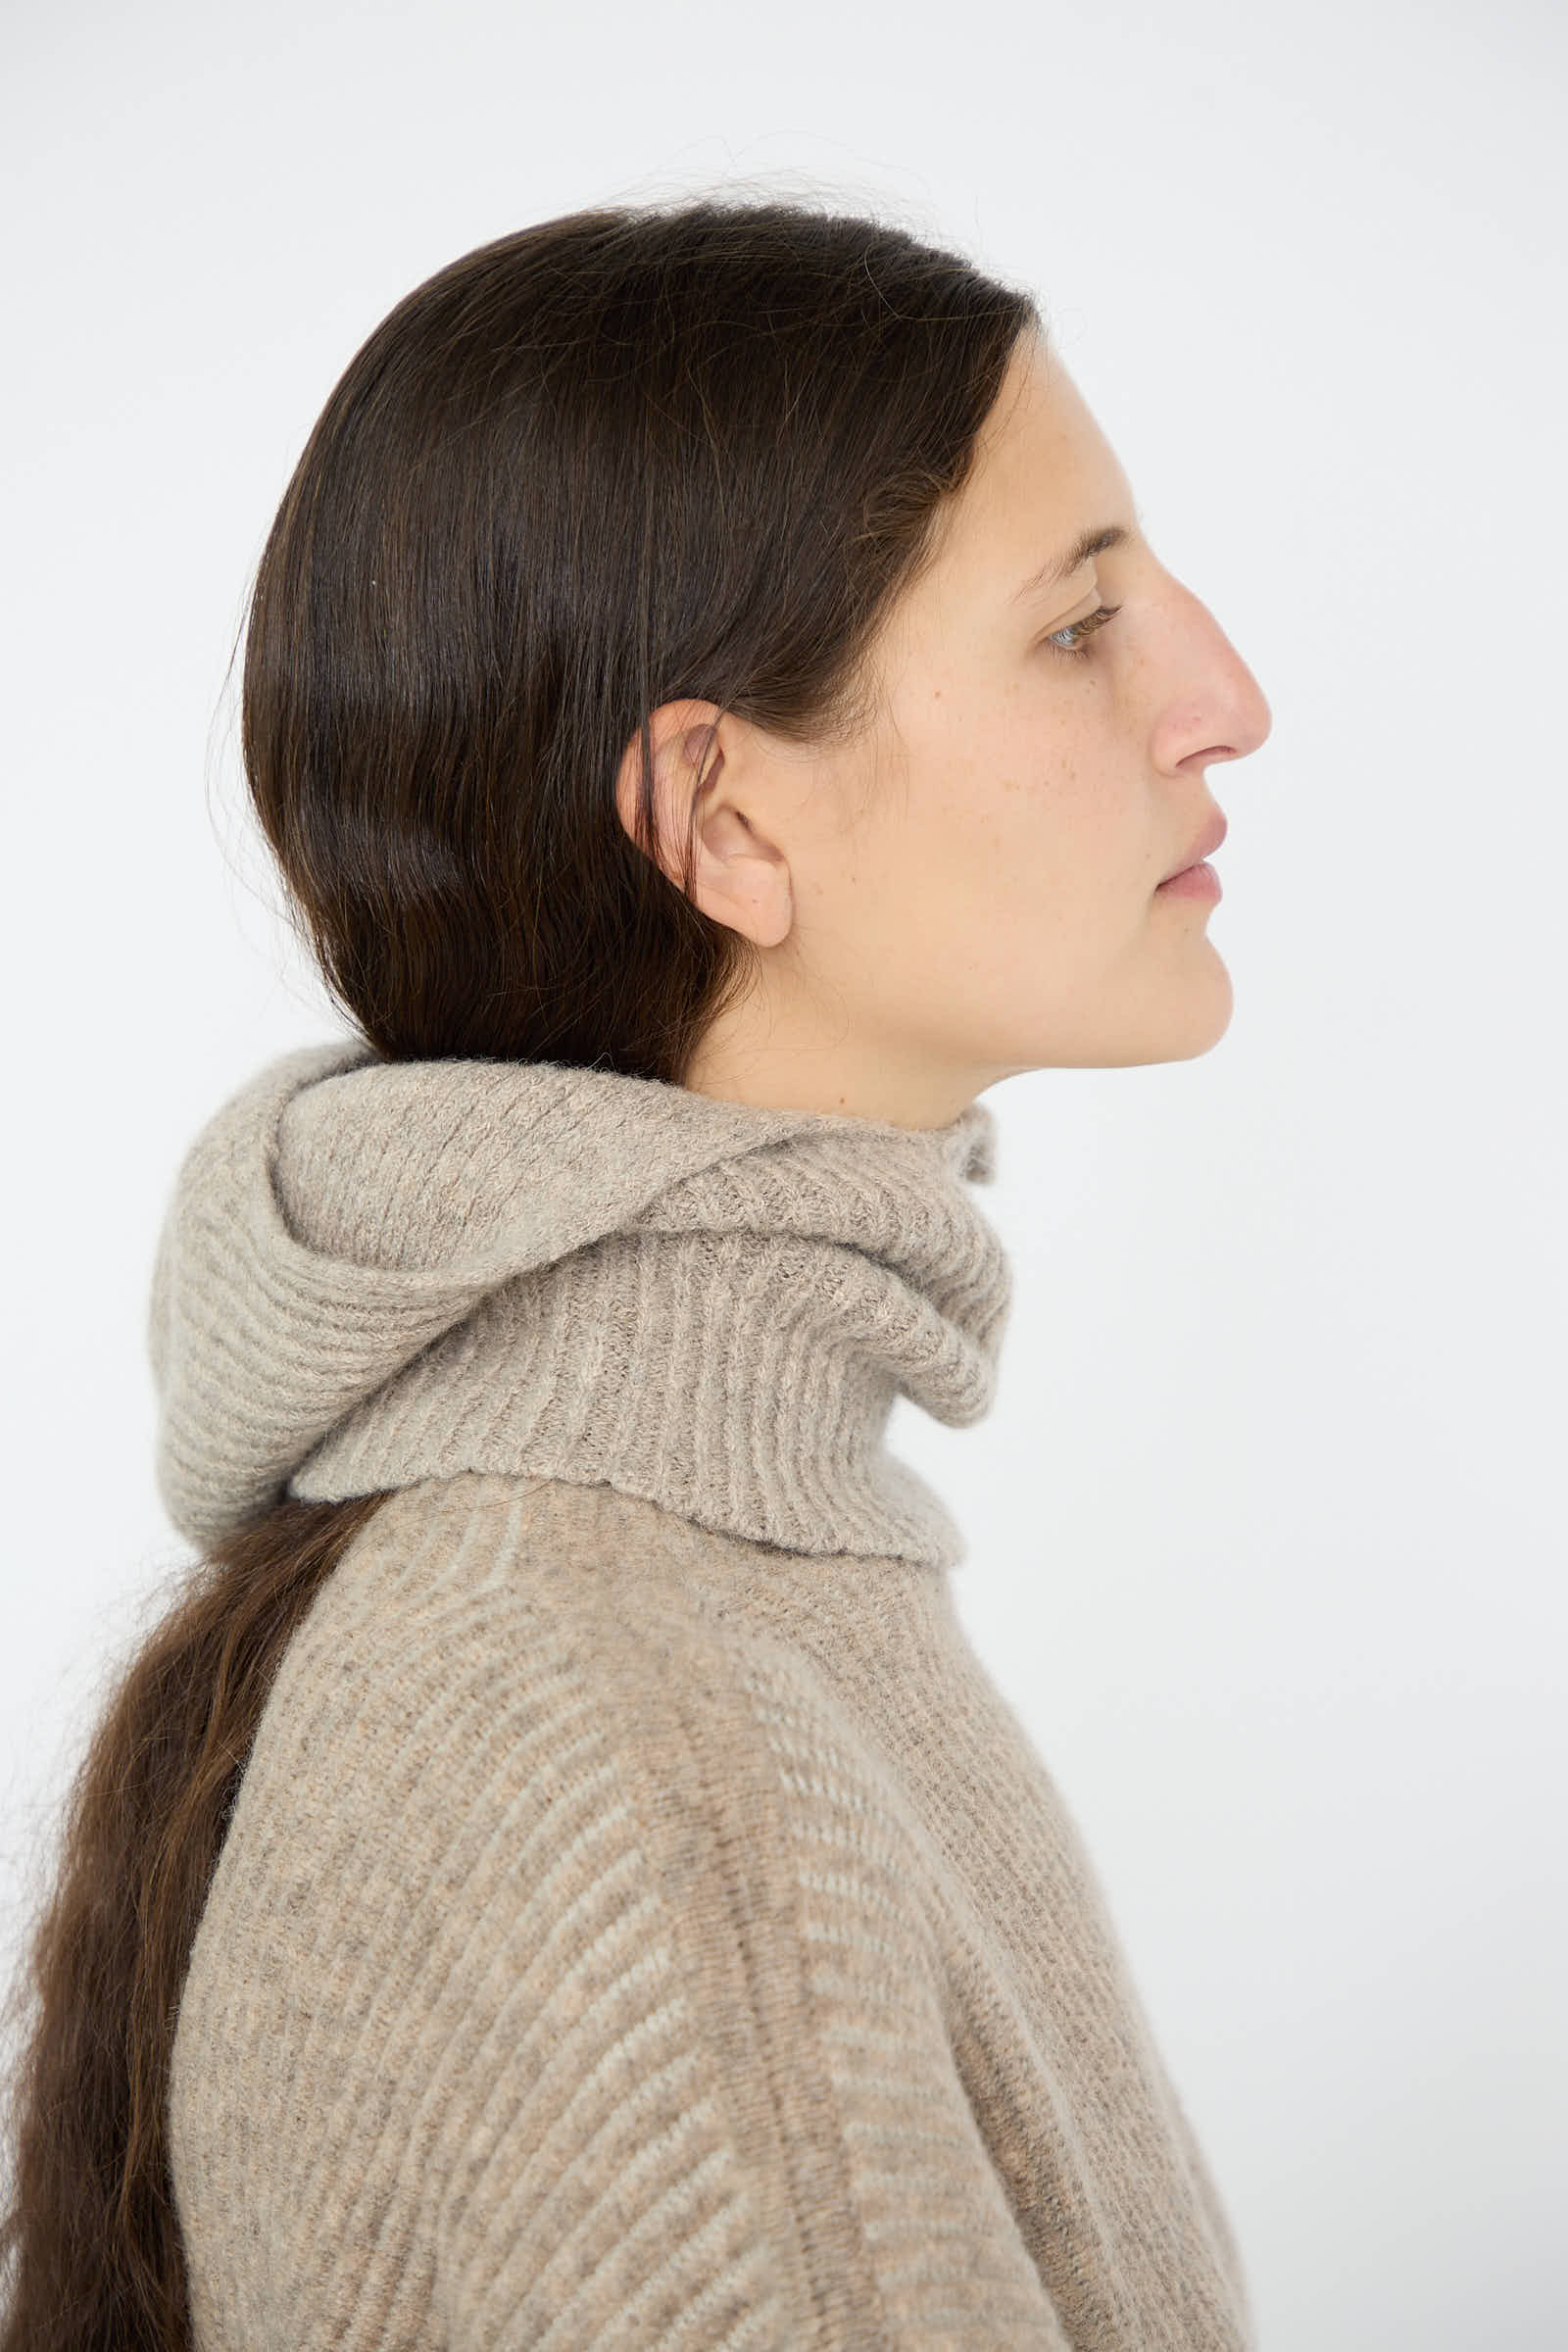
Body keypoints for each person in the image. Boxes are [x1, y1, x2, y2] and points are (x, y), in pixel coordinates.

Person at [0, 195, 1270, 2351]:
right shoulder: (630, 1737)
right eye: (1078, 625)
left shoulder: (684, 1600)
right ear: (723, 819)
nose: (1221, 700)